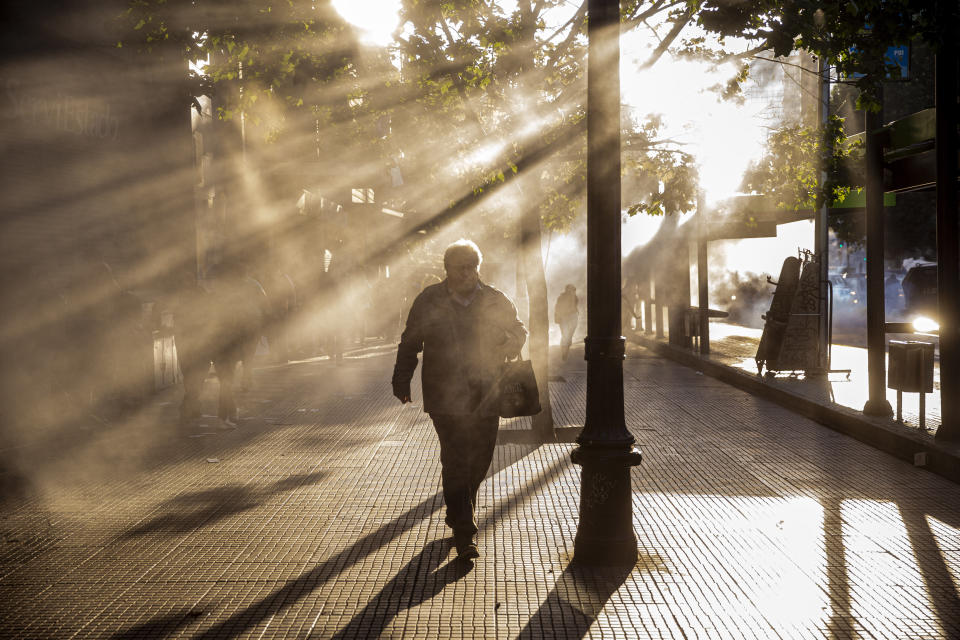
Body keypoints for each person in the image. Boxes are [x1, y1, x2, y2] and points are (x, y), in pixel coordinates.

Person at [391, 239, 526, 561]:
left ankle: (458, 509)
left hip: (486, 391)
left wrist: (508, 343)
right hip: (444, 392)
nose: (467, 274)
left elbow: (519, 332)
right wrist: (401, 378)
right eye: (460, 268)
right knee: (455, 459)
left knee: (479, 459)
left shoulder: (495, 299)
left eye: (472, 267)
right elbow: (410, 342)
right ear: (447, 270)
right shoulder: (429, 300)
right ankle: (465, 531)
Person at [554, 284, 579, 361]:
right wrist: (557, 317)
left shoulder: (575, 297)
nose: (571, 291)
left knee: (569, 335)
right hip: (564, 317)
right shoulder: (561, 298)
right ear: (566, 290)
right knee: (565, 335)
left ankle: (566, 348)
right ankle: (564, 353)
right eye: (569, 289)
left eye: (572, 289)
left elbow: (575, 306)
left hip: (573, 316)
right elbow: (557, 308)